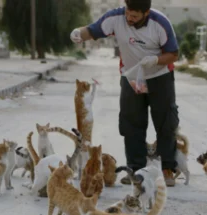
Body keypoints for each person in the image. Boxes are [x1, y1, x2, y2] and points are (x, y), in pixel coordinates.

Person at [70, 0, 180, 187]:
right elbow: (93, 30)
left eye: (135, 16)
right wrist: (79, 33)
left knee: (166, 123)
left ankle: (168, 168)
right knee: (131, 123)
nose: (129, 18)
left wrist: (155, 60)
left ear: (146, 13)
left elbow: (173, 53)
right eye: (128, 13)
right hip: (131, 77)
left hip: (159, 77)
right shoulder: (116, 18)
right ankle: (135, 169)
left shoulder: (160, 23)